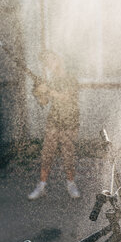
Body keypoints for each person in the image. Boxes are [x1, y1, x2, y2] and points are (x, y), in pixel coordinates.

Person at [28, 50, 80, 200]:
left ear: (58, 59)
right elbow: (44, 102)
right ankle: (42, 186)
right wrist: (38, 92)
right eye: (46, 62)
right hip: (54, 120)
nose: (48, 63)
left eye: (50, 60)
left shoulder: (70, 76)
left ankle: (71, 184)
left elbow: (66, 97)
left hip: (70, 120)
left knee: (68, 153)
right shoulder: (49, 80)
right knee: (47, 152)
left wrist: (48, 90)